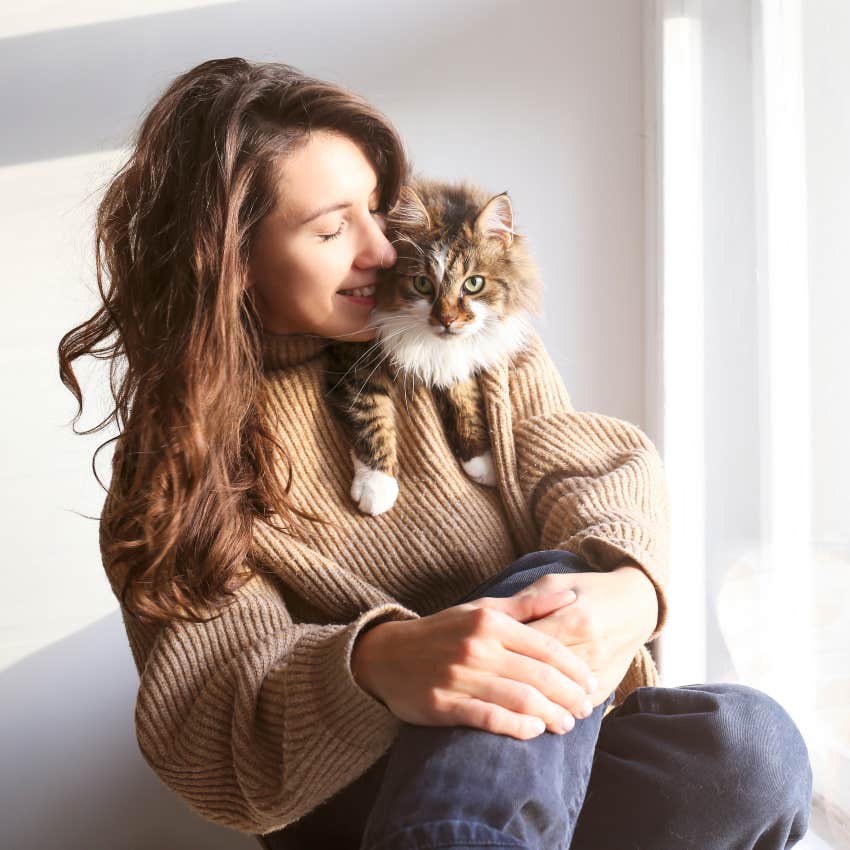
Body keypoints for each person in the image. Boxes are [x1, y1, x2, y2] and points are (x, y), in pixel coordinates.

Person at [58, 57, 813, 849]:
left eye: (380, 211)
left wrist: (630, 584)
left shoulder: (472, 354)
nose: (383, 250)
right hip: (361, 804)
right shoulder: (179, 462)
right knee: (535, 600)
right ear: (232, 262)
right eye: (330, 228)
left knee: (747, 747)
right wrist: (381, 664)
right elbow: (212, 724)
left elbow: (586, 470)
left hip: (548, 784)